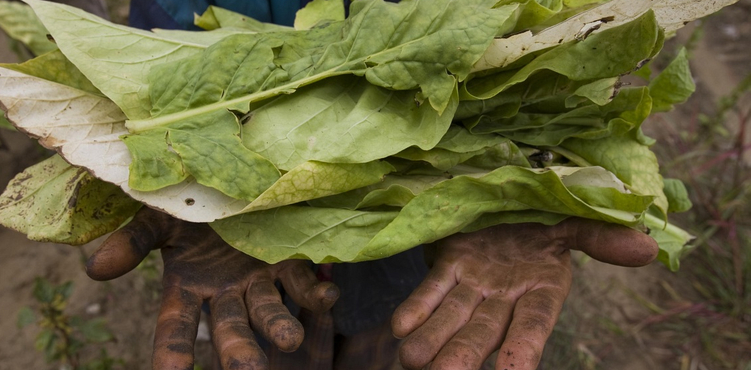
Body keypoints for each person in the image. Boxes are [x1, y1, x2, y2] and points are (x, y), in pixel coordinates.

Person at [86, 1, 660, 369]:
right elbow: (163, 45)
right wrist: (184, 182)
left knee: (393, 341)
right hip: (247, 245)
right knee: (273, 346)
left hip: (403, 246)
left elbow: (538, 37)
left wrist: (508, 191)